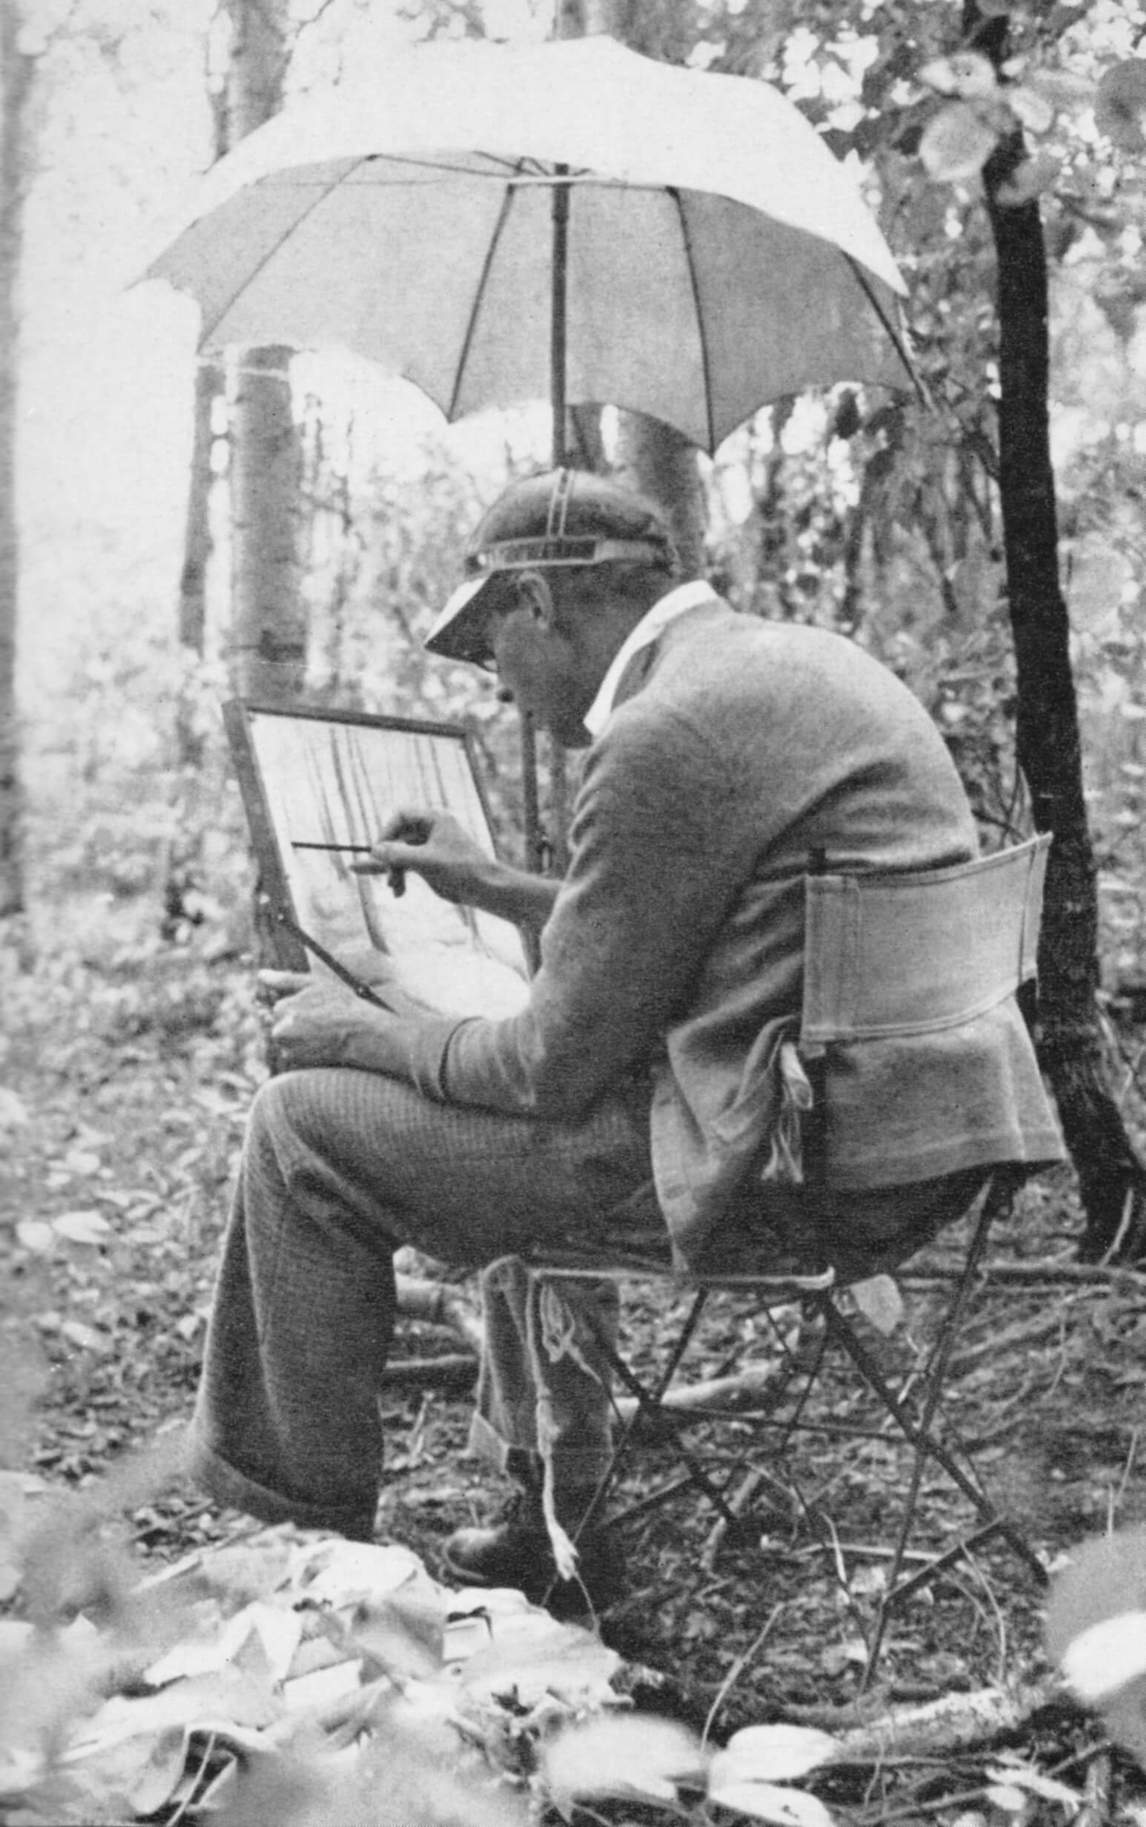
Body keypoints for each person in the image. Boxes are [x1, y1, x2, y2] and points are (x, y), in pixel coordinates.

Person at [190, 466, 1064, 1612]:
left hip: (798, 1173)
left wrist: (354, 1031)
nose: (501, 692)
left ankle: (299, 1545)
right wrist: (495, 885)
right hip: (912, 1135)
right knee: (497, 1127)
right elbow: (696, 946)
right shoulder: (791, 665)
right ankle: (564, 1509)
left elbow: (548, 1068)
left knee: (303, 1128)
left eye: (494, 653)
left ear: (542, 606)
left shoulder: (663, 734)